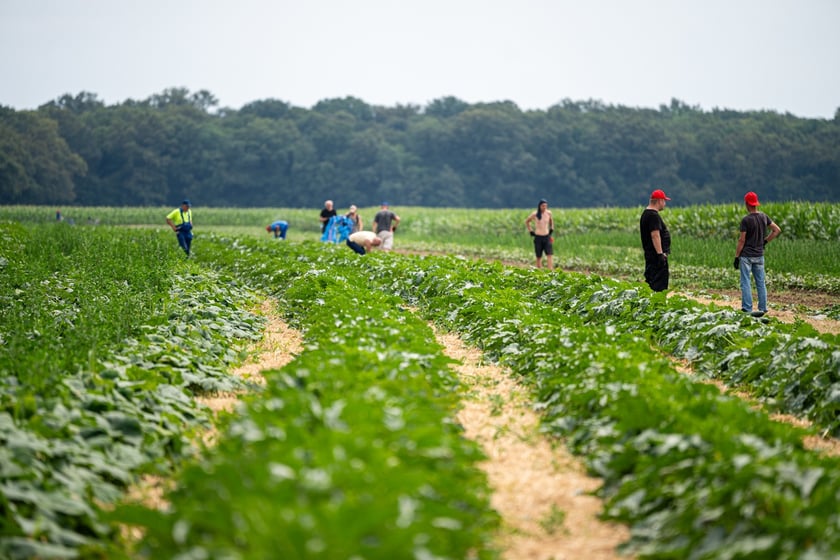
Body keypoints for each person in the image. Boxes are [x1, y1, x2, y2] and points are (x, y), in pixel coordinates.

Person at [734, 191, 782, 317]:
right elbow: (776, 230)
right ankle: (763, 308)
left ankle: (747, 309)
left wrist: (736, 256)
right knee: (760, 282)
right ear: (755, 203)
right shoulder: (764, 217)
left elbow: (742, 240)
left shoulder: (746, 220)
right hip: (759, 255)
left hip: (746, 256)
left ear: (746, 204)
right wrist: (765, 241)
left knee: (745, 282)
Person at [639, 189, 671, 292]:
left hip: (651, 256)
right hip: (656, 257)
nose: (665, 204)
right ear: (659, 201)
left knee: (651, 281)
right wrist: (660, 254)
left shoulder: (646, 214)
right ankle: (656, 305)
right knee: (658, 285)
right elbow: (655, 235)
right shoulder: (653, 216)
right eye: (664, 201)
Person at [524, 199, 554, 270]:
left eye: (546, 206)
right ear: (540, 206)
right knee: (538, 255)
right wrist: (530, 231)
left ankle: (550, 269)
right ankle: (539, 269)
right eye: (543, 206)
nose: (544, 207)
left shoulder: (549, 213)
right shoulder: (535, 214)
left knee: (549, 254)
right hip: (538, 236)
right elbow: (527, 221)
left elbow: (551, 221)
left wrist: (552, 228)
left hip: (546, 236)